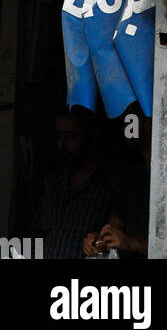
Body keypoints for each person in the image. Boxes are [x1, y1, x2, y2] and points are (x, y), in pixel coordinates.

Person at [85, 116, 167, 259]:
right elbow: (112, 232)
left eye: (132, 118)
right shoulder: (132, 177)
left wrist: (135, 244)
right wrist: (97, 242)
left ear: (150, 122)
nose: (126, 125)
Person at [35, 108, 116, 260]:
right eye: (59, 137)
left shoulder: (110, 186)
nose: (62, 144)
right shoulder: (53, 185)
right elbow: (38, 234)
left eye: (71, 136)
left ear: (92, 135)